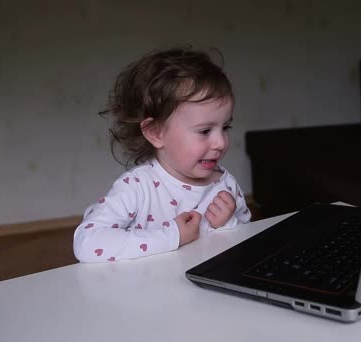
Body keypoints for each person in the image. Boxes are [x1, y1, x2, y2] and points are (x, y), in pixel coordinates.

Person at [73, 46, 251, 263]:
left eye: (225, 128)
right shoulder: (137, 187)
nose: (221, 142)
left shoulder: (226, 185)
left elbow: (246, 247)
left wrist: (228, 225)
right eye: (205, 131)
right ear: (155, 133)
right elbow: (87, 242)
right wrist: (173, 236)